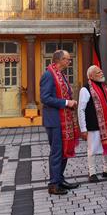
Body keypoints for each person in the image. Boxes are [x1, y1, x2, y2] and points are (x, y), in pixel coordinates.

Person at [40, 49, 80, 195]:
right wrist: (66, 102)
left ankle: (60, 179)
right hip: (54, 120)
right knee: (57, 152)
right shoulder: (48, 75)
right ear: (59, 60)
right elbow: (45, 98)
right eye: (67, 59)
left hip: (63, 119)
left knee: (63, 152)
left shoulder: (61, 75)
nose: (69, 62)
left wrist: (69, 102)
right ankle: (53, 184)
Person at [78, 66, 107, 182]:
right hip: (93, 125)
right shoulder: (85, 89)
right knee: (92, 150)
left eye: (101, 71)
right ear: (91, 76)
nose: (101, 73)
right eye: (98, 72)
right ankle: (92, 173)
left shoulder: (104, 86)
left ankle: (106, 170)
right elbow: (81, 109)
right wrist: (83, 128)